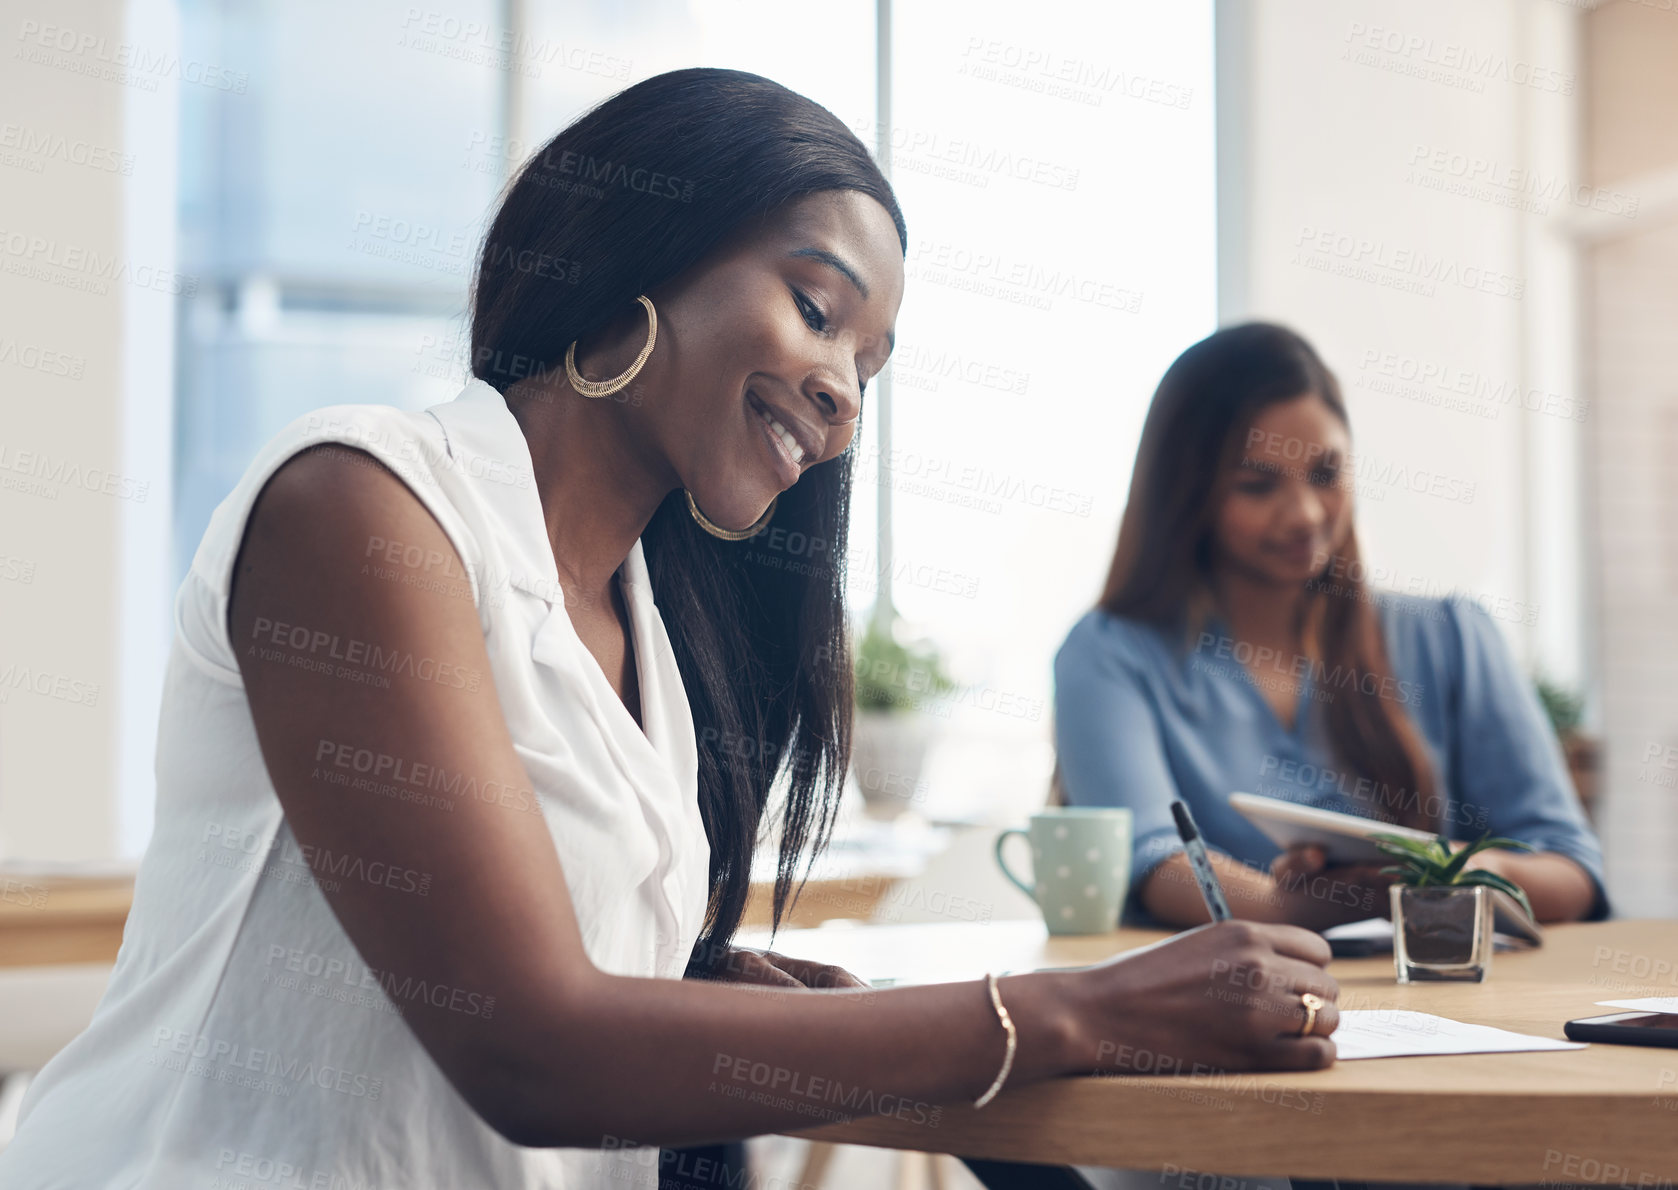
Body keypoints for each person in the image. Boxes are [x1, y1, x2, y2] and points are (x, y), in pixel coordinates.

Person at [0, 74, 1341, 1189]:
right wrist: (1074, 1010)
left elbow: (576, 986)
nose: (839, 395)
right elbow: (529, 1044)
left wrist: (709, 985)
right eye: (817, 311)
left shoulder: (648, 631)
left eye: (869, 368)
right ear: (641, 257)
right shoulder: (363, 506)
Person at [1053, 322, 1608, 931]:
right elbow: (1152, 861)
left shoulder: (1451, 637)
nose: (1307, 515)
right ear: (1186, 494)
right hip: (1230, 1012)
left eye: (1326, 473)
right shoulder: (1109, 654)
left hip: (1451, 1015)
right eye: (1256, 485)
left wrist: (1424, 871)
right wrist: (1315, 904)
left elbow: (1570, 872)